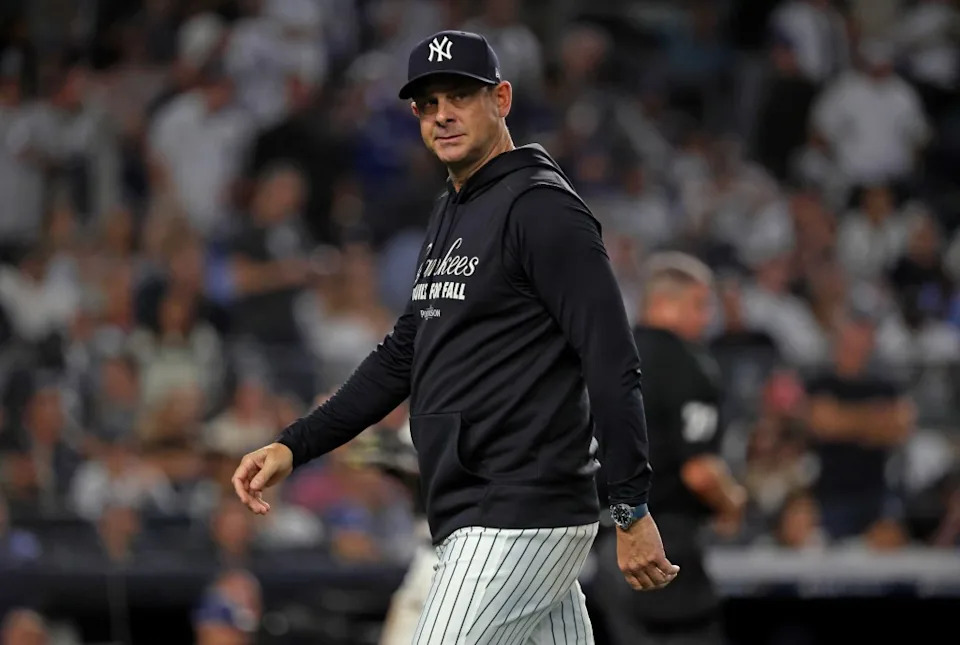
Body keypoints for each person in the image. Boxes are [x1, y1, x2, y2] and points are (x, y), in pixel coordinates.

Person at [232, 30, 678, 643]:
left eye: (460, 96)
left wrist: (630, 507)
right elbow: (403, 354)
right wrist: (296, 444)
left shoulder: (542, 208)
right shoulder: (455, 207)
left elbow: (611, 360)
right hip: (479, 509)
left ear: (501, 99)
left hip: (519, 509)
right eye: (427, 103)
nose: (442, 115)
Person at [594, 253, 746, 645]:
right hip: (661, 546)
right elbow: (700, 472)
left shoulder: (605, 356)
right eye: (700, 304)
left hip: (607, 545)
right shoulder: (686, 363)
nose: (707, 317)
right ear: (665, 302)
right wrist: (733, 502)